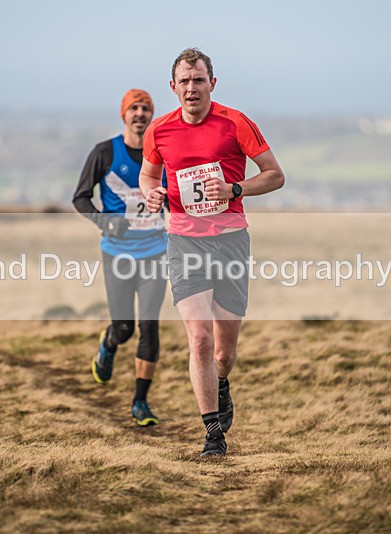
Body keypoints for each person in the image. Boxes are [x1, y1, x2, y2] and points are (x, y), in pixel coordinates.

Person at [139, 48, 285, 457]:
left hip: (231, 241)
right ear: (173, 87)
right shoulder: (159, 130)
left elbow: (275, 175)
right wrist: (151, 193)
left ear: (212, 84)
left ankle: (222, 381)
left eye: (198, 80)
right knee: (199, 340)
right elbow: (149, 173)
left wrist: (236, 189)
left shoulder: (236, 122)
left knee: (223, 351)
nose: (191, 88)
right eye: (184, 82)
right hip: (184, 242)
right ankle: (213, 435)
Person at [73, 89, 168, 426]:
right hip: (117, 254)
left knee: (150, 327)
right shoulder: (104, 153)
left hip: (156, 250)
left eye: (146, 109)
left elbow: (172, 200)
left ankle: (140, 402)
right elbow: (80, 198)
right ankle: (109, 341)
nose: (140, 114)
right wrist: (105, 220)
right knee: (125, 327)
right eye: (134, 108)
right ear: (123, 114)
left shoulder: (161, 156)